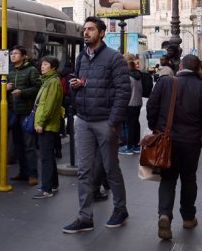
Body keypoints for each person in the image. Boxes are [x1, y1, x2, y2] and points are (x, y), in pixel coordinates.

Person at [63, 16, 130, 234]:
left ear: (101, 33)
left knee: (111, 169)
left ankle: (120, 209)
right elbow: (81, 84)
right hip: (83, 120)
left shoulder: (114, 58)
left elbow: (123, 92)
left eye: (91, 29)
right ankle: (85, 217)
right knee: (84, 171)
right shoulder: (82, 57)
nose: (86, 33)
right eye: (85, 29)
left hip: (105, 122)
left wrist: (113, 122)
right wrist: (75, 87)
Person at [146, 54, 202, 240]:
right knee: (188, 179)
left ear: (180, 67)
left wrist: (155, 127)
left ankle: (164, 214)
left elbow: (151, 107)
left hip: (167, 141)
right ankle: (188, 217)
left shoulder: (164, 83)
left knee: (168, 179)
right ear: (198, 70)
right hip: (191, 143)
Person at [8, 45, 41, 186]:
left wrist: (22, 92)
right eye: (11, 53)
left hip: (27, 112)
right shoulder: (9, 71)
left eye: (16, 53)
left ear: (23, 56)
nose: (13, 55)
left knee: (29, 145)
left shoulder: (31, 70)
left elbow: (38, 87)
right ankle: (23, 172)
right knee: (18, 144)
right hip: (14, 111)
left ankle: (33, 174)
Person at [32, 56, 63, 199]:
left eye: (46, 64)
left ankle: (46, 189)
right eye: (42, 64)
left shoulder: (52, 82)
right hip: (47, 124)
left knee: (46, 158)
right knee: (49, 155)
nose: (42, 66)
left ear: (53, 67)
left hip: (47, 126)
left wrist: (41, 123)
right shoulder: (48, 81)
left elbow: (49, 105)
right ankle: (53, 184)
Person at [119, 60, 143, 155]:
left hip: (129, 104)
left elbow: (124, 92)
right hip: (138, 103)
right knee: (135, 124)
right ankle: (136, 146)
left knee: (129, 126)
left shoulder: (127, 77)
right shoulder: (138, 76)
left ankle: (129, 147)